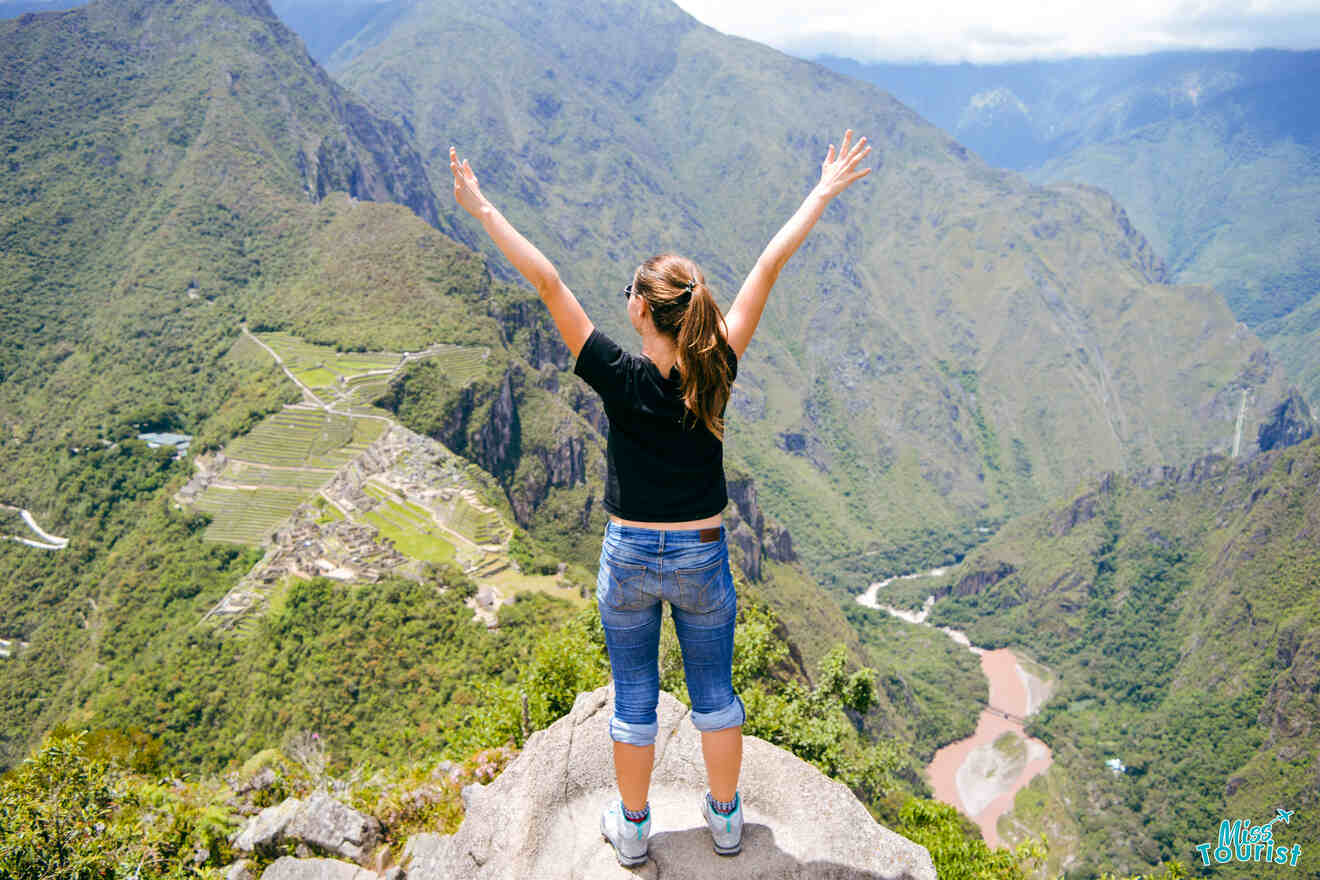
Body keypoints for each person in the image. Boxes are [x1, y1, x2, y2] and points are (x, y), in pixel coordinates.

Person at [448, 130, 871, 866]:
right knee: (715, 697)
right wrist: (822, 190)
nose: (624, 304)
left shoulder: (617, 373)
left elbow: (548, 282)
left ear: (644, 312)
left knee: (634, 698)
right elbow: (770, 264)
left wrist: (484, 210)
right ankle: (728, 820)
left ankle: (635, 829)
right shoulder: (718, 368)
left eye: (629, 294)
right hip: (704, 555)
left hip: (631, 556)